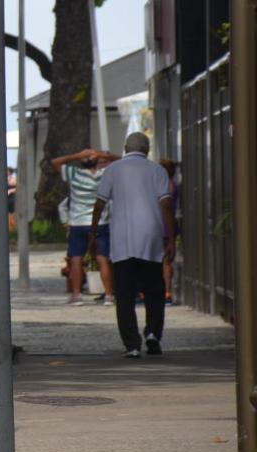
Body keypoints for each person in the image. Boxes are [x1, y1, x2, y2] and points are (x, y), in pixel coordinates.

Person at [90, 132, 175, 359]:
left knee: (125, 295)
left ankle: (132, 344)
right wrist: (171, 238)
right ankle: (153, 334)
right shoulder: (157, 170)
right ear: (147, 149)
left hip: (122, 241)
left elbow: (99, 204)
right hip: (151, 240)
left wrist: (92, 234)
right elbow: (166, 205)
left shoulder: (113, 170)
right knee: (155, 291)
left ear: (126, 148)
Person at [51, 147, 118, 306]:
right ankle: (109, 295)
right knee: (103, 258)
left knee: (76, 259)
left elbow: (55, 162)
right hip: (101, 222)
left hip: (78, 223)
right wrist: (102, 154)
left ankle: (76, 295)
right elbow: (122, 160)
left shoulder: (74, 174)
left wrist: (77, 155)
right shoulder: (105, 174)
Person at [159, 158, 180, 305]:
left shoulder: (160, 186)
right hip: (169, 227)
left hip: (158, 227)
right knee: (167, 262)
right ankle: (167, 292)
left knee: (157, 261)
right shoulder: (173, 185)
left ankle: (162, 292)